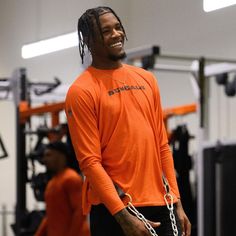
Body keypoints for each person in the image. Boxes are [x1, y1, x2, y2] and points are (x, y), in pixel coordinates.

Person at [65, 6, 191, 236]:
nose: (116, 34)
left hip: (161, 203)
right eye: (106, 31)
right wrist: (122, 216)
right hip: (114, 208)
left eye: (118, 27)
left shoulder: (146, 79)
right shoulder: (81, 91)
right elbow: (90, 162)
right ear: (88, 40)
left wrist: (177, 202)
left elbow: (162, 146)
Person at [35, 141, 90, 236]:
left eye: (49, 155)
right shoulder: (51, 183)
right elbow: (50, 215)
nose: (44, 160)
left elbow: (80, 212)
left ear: (61, 156)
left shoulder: (71, 178)